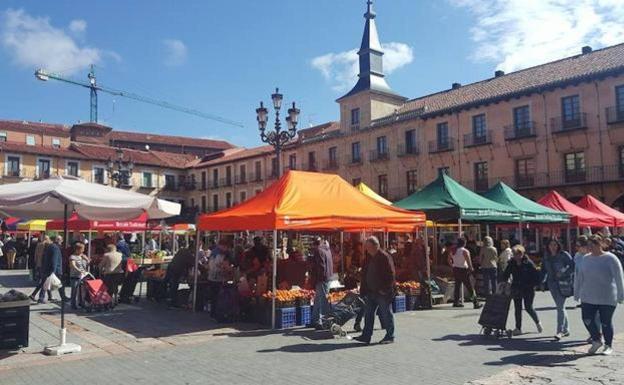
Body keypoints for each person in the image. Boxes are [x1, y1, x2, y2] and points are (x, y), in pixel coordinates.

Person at [574, 235, 624, 355]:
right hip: (588, 295)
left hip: (607, 296)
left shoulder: (610, 258)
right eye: (589, 246)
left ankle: (608, 345)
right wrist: (576, 291)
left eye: (593, 245)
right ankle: (596, 340)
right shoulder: (585, 259)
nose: (591, 248)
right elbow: (579, 276)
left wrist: (621, 294)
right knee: (587, 319)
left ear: (600, 244)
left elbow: (619, 277)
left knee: (605, 321)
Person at [354, 236, 396, 345]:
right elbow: (365, 273)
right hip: (370, 291)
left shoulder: (384, 257)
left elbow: (391, 275)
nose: (367, 249)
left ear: (376, 246)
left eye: (368, 247)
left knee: (386, 313)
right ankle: (366, 335)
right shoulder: (368, 257)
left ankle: (390, 335)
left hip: (382, 292)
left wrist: (385, 289)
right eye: (366, 247)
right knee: (368, 314)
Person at [504, 245, 543, 335]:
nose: (517, 256)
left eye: (518, 254)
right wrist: (504, 282)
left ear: (522, 253)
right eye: (514, 254)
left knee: (528, 307)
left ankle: (538, 322)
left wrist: (534, 285)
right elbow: (506, 274)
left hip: (528, 288)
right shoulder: (511, 263)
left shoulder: (528, 263)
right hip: (516, 287)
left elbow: (536, 275)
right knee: (517, 308)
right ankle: (518, 328)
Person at [542, 238, 574, 341]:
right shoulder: (546, 256)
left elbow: (572, 266)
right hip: (552, 283)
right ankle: (566, 329)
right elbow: (543, 270)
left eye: (555, 245)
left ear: (558, 245)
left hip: (563, 283)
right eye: (551, 245)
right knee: (560, 306)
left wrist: (563, 272)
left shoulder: (563, 254)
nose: (553, 247)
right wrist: (542, 282)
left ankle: (559, 331)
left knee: (560, 306)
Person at [309, 237, 333, 329]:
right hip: (328, 277)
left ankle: (325, 322)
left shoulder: (319, 251)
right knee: (318, 299)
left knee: (322, 300)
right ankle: (314, 320)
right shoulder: (327, 249)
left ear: (315, 244)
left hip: (322, 279)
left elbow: (321, 266)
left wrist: (317, 279)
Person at [449, 238, 481, 309]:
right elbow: (468, 261)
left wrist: (453, 265)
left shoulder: (453, 250)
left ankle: (456, 301)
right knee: (470, 287)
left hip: (456, 269)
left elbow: (448, 260)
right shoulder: (465, 251)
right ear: (464, 243)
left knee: (457, 286)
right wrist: (471, 268)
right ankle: (476, 303)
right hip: (463, 270)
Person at [205, 240, 232, 316]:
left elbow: (210, 265)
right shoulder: (220, 254)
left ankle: (213, 312)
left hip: (212, 277)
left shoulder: (214, 252)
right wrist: (228, 270)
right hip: (217, 277)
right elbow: (221, 266)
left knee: (214, 296)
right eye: (226, 247)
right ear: (222, 246)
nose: (227, 248)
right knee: (217, 296)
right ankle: (216, 312)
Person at [39, 235, 66, 303]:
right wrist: (53, 270)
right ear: (58, 240)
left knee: (46, 283)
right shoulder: (55, 248)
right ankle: (63, 297)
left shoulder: (51, 246)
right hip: (55, 269)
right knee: (59, 283)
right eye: (60, 240)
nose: (61, 241)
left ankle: (41, 297)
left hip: (48, 268)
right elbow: (54, 259)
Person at [69, 242, 90, 310]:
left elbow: (89, 263)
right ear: (77, 249)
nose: (83, 250)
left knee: (83, 291)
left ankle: (82, 303)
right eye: (82, 249)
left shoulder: (83, 256)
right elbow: (72, 265)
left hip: (83, 276)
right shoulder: (72, 257)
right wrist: (79, 270)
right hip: (75, 276)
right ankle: (73, 305)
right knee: (74, 291)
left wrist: (86, 259)